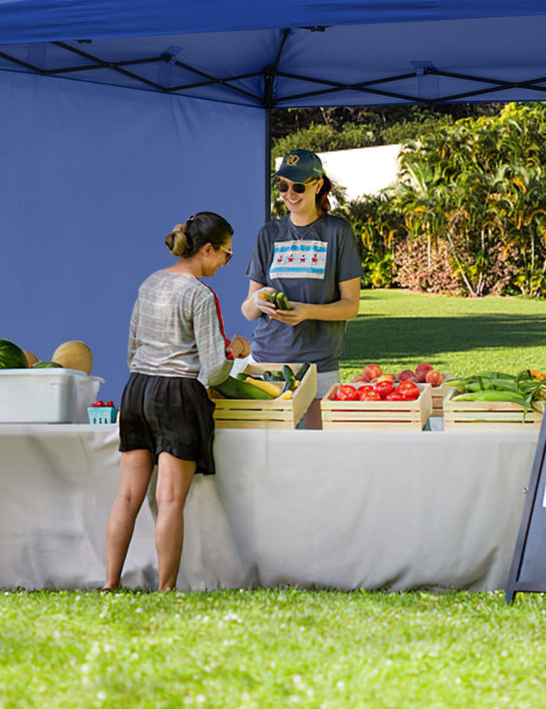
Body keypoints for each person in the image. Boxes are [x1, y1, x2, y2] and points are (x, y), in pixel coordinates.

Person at [104, 212, 249, 591]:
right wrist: (234, 351)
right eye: (226, 255)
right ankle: (166, 589)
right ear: (206, 250)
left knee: (128, 495)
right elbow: (215, 369)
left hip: (136, 390)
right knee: (168, 499)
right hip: (177, 396)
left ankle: (110, 583)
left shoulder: (150, 283)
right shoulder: (200, 295)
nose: (226, 262)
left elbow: (132, 348)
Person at [241, 150, 362, 421]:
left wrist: (306, 311)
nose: (289, 194)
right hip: (265, 366)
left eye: (298, 186)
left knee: (317, 454)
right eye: (283, 186)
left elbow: (350, 306)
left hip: (319, 368)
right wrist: (258, 300)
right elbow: (248, 310)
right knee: (269, 457)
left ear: (318, 186)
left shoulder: (337, 232)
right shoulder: (268, 234)